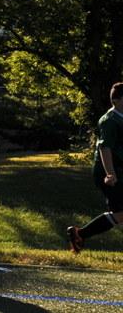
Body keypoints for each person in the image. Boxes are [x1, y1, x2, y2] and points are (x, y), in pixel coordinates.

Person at [67, 82, 123, 254]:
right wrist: (110, 173)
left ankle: (79, 234)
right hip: (108, 171)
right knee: (121, 213)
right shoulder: (109, 120)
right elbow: (104, 148)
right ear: (117, 100)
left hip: (120, 170)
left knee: (120, 214)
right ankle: (80, 234)